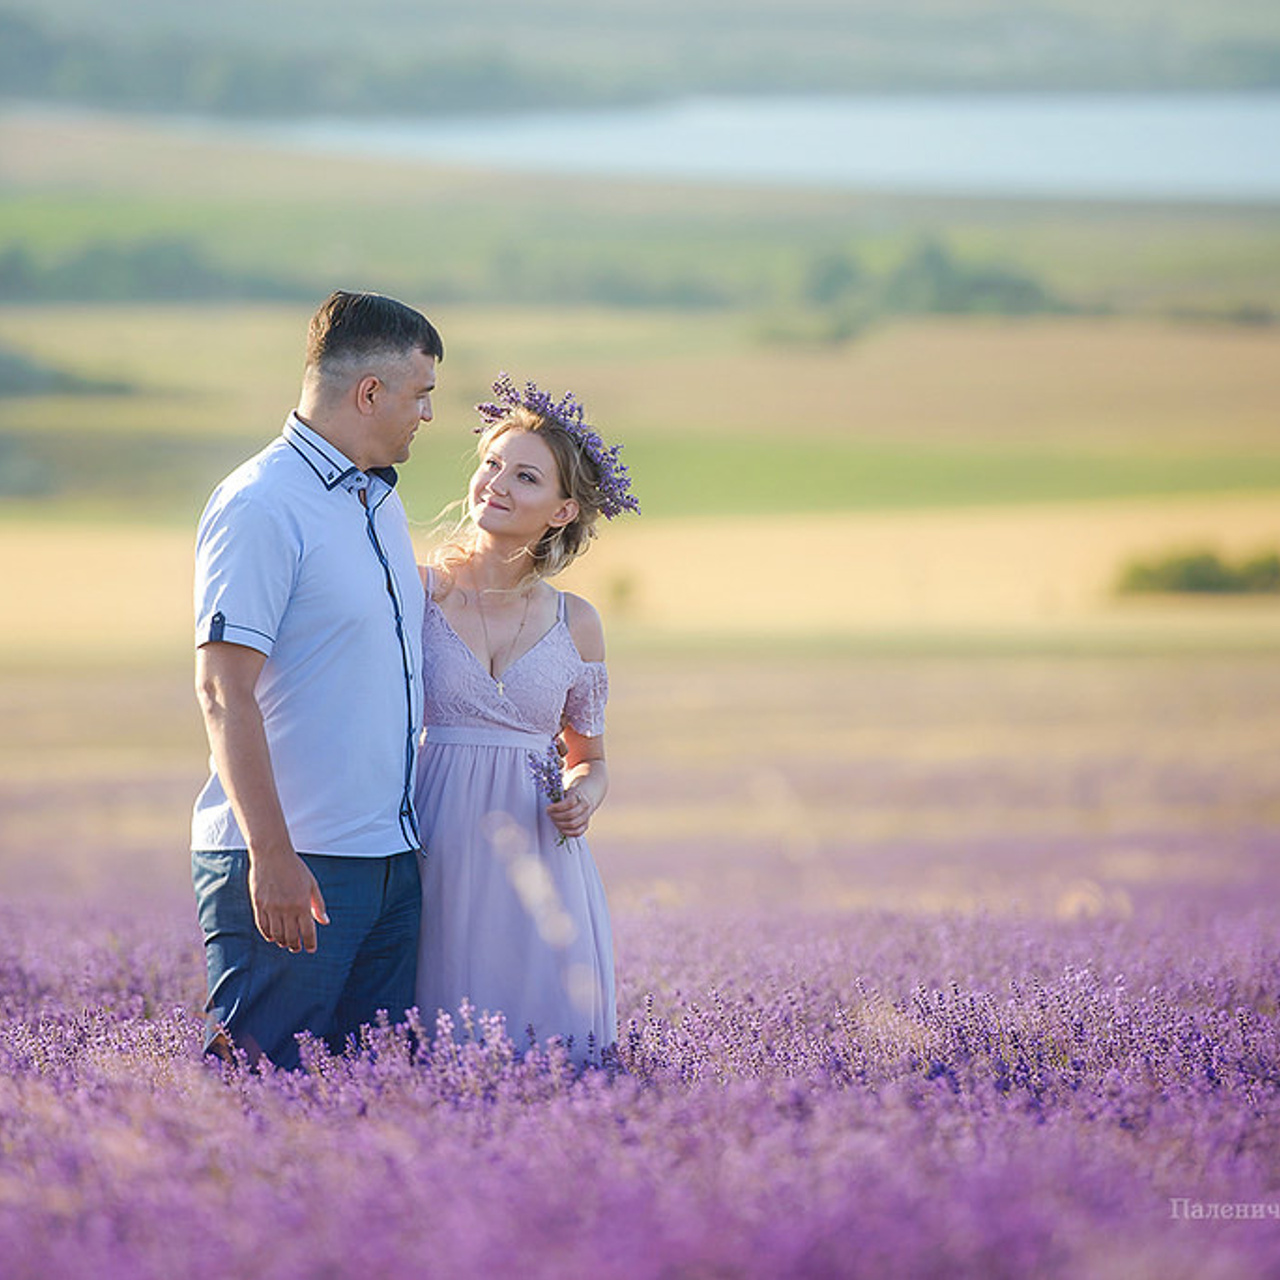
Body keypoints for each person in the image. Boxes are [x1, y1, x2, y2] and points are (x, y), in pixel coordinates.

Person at [190, 290, 443, 1070]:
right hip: (294, 863)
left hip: (390, 860)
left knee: (373, 1104)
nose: (428, 414)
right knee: (263, 1092)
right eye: (421, 393)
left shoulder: (378, 502)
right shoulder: (261, 504)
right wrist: (271, 854)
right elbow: (222, 691)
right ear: (369, 392)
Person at [414, 374, 639, 1066]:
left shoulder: (578, 623)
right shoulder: (418, 592)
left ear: (563, 511)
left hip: (541, 858)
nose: (496, 483)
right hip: (430, 843)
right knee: (430, 1037)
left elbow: (591, 759)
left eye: (525, 476)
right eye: (491, 464)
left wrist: (582, 799)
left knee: (545, 1050)